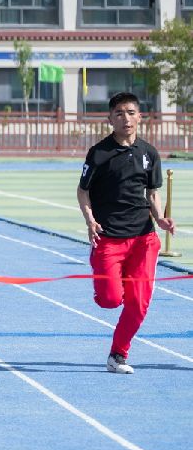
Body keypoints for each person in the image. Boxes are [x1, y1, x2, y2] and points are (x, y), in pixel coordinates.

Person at [78, 92, 174, 374]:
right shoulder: (99, 153)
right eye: (119, 113)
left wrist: (160, 218)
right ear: (110, 118)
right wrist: (90, 220)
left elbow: (152, 192)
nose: (125, 118)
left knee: (139, 302)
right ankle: (110, 283)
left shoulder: (149, 153)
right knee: (110, 299)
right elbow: (83, 191)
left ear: (139, 116)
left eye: (131, 112)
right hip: (108, 238)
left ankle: (118, 354)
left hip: (144, 239)